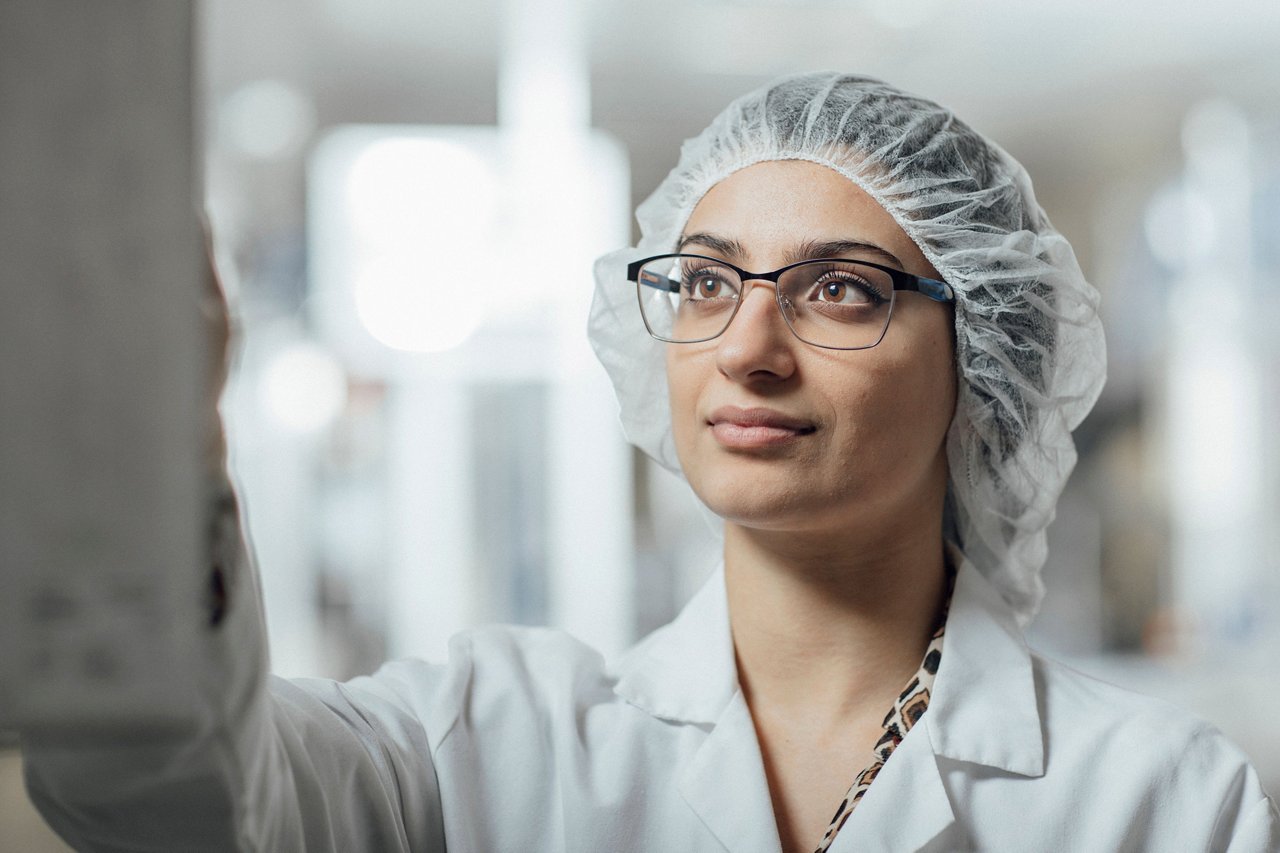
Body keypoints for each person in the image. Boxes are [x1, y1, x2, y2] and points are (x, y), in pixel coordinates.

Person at [20, 73, 1278, 852]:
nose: (746, 348)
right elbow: (170, 803)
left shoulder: (1158, 805)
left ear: (985, 356)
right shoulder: (475, 746)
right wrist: (152, 452)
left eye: (838, 290)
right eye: (707, 280)